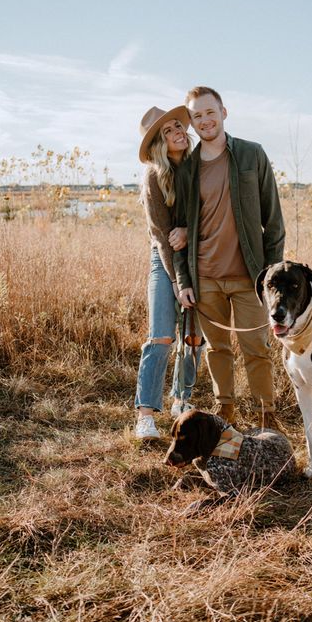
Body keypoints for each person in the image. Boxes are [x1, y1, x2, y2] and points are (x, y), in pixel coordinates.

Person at [174, 86, 285, 426]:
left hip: (250, 278)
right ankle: (226, 411)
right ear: (192, 124)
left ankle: (267, 416)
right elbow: (177, 233)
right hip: (205, 277)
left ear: (224, 112)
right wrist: (184, 280)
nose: (204, 120)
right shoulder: (187, 169)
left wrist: (272, 278)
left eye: (210, 112)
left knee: (257, 349)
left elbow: (274, 222)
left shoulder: (252, 155)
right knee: (216, 349)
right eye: (197, 116)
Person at [134, 105, 204, 440]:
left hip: (201, 254)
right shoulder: (153, 175)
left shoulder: (201, 164)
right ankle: (145, 414)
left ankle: (182, 398)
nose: (178, 131)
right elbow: (162, 235)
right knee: (161, 335)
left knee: (193, 337)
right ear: (159, 144)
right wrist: (176, 282)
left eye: (178, 125)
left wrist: (190, 231)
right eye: (167, 131)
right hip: (163, 259)